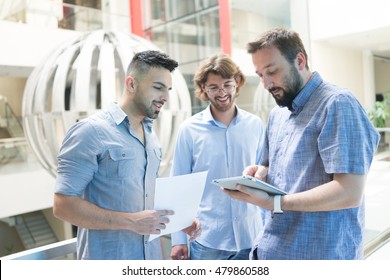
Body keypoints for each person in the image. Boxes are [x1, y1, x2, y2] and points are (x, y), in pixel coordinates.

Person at [222, 28, 380, 260]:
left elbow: (349, 192)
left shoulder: (338, 104)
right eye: (260, 75)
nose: (266, 83)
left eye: (272, 71)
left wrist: (275, 202)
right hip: (271, 249)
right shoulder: (278, 114)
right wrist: (259, 174)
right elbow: (269, 167)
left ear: (300, 60)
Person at [53, 50, 200, 260]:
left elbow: (145, 197)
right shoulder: (90, 132)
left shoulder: (151, 136)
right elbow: (63, 206)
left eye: (167, 89)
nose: (165, 97)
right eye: (158, 88)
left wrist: (179, 220)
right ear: (131, 84)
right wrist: (131, 221)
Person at [170, 54, 266, 260]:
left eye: (227, 85)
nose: (222, 92)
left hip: (252, 237)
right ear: (203, 88)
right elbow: (178, 185)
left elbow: (263, 182)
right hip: (208, 240)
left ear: (237, 83)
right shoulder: (189, 130)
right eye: (213, 87)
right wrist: (178, 240)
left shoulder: (255, 125)